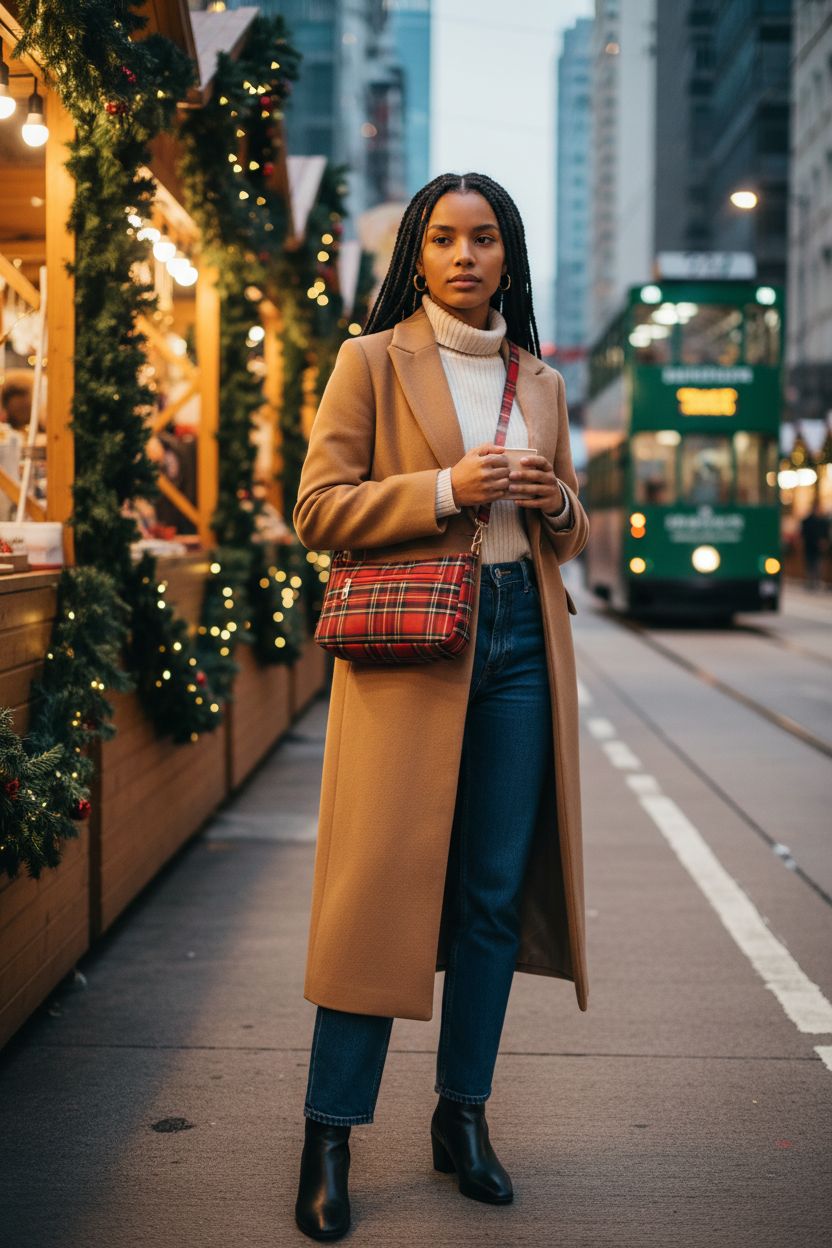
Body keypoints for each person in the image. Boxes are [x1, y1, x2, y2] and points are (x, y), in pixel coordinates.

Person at [290, 171, 590, 1241]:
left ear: (508, 255)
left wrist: (554, 498)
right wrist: (445, 490)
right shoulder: (369, 361)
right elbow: (316, 509)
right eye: (444, 238)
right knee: (378, 886)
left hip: (518, 641)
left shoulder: (540, 383)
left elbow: (569, 528)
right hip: (414, 641)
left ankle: (461, 1118)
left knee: (491, 898)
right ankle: (329, 1132)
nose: (466, 256)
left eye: (486, 239)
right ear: (415, 254)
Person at [800, 500, 829, 590]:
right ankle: (810, 582)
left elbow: (826, 533)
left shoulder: (823, 521)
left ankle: (816, 582)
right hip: (810, 546)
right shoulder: (807, 521)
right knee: (810, 565)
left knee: (818, 565)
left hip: (818, 548)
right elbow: (804, 533)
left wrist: (824, 542)